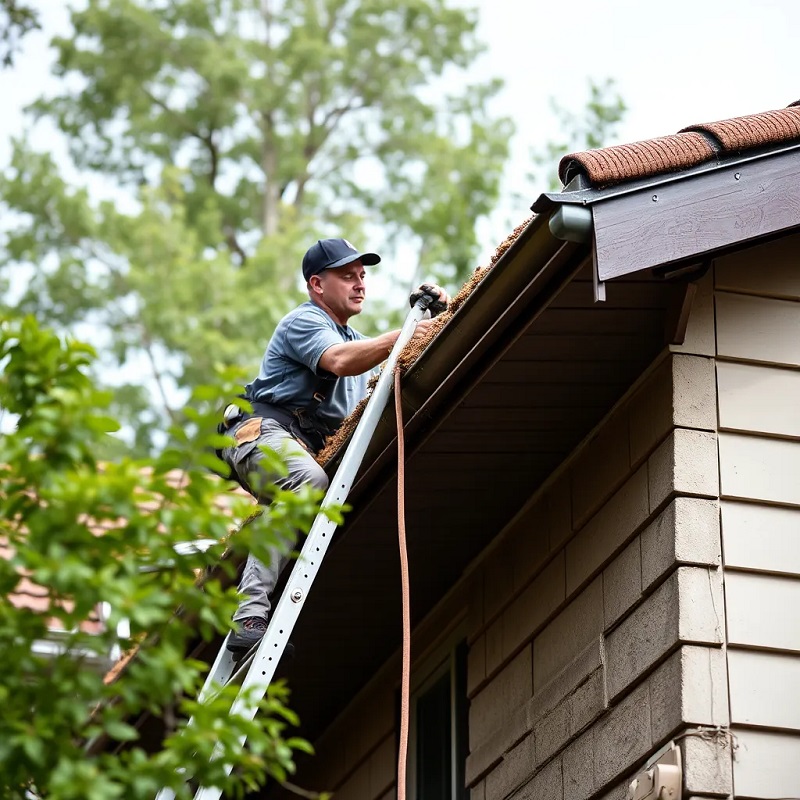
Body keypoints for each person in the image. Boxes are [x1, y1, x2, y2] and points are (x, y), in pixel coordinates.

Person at [221, 237, 450, 654]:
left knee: (318, 494)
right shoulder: (303, 322)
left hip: (300, 448)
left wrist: (441, 312)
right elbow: (342, 360)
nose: (360, 284)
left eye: (362, 276)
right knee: (307, 480)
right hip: (263, 435)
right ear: (316, 285)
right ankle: (249, 613)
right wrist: (408, 332)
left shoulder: (358, 342)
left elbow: (383, 356)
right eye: (347, 276)